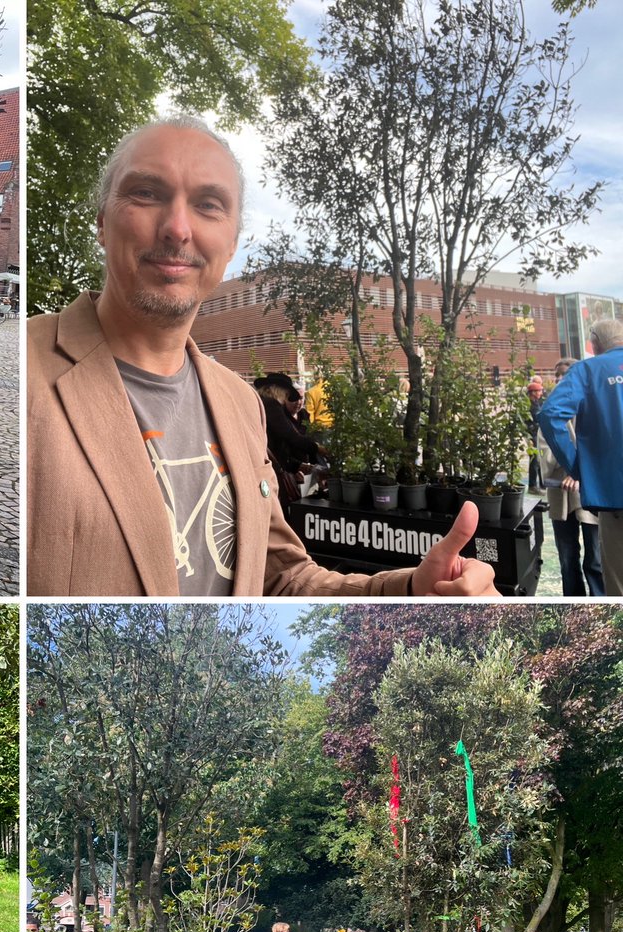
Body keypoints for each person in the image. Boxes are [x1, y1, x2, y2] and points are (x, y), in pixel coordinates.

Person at [26, 115, 499, 598]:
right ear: (103, 222)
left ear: (231, 244)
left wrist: (413, 592)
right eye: (147, 193)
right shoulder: (27, 373)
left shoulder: (240, 403)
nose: (177, 228)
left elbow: (281, 576)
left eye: (208, 205)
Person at [539, 319, 623, 595]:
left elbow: (551, 415)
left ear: (595, 344)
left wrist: (578, 468)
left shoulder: (588, 370)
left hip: (615, 500)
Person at [255, 373, 320, 518]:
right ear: (278, 390)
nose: (286, 397)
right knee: (279, 513)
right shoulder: (271, 405)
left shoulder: (262, 403)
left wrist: (295, 466)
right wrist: (318, 449)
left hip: (265, 464)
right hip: (269, 468)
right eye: (286, 393)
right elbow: (290, 436)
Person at [526, 375, 545, 492]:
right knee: (534, 460)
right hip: (531, 434)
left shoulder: (536, 403)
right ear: (533, 392)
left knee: (538, 460)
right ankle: (532, 486)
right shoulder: (529, 404)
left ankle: (541, 484)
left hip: (536, 433)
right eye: (539, 391)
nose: (541, 393)